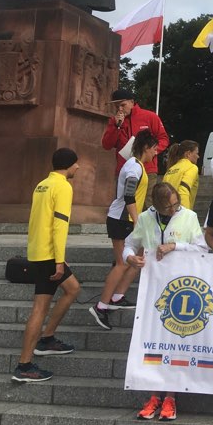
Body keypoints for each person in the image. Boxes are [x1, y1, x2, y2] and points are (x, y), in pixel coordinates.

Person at [125, 183, 207, 422]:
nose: (174, 209)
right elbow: (130, 243)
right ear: (157, 206)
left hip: (182, 290)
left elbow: (201, 248)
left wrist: (175, 246)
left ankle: (171, 395)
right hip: (153, 289)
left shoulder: (188, 216)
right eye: (168, 206)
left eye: (175, 203)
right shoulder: (145, 218)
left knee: (174, 341)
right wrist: (129, 258)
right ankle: (154, 394)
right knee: (152, 341)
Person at [12, 148, 82, 383]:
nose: (78, 168)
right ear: (70, 165)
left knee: (72, 289)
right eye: (76, 164)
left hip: (39, 251)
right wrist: (59, 260)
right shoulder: (63, 186)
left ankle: (48, 337)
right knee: (39, 308)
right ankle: (24, 365)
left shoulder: (42, 184)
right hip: (49, 257)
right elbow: (59, 225)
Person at [90, 129, 157, 330]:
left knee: (138, 257)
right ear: (146, 148)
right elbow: (129, 196)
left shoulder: (138, 166)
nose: (156, 153)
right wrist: (137, 221)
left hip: (128, 218)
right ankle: (101, 306)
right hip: (121, 219)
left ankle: (117, 296)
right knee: (121, 263)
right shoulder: (133, 167)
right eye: (154, 149)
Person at [101, 88, 168, 179]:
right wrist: (116, 127)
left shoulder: (150, 116)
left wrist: (152, 151)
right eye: (117, 107)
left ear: (132, 102)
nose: (120, 109)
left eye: (122, 105)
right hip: (124, 170)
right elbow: (106, 145)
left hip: (147, 169)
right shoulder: (114, 121)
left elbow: (163, 139)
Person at [163, 140, 199, 210]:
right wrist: (185, 214)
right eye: (197, 153)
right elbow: (183, 191)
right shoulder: (192, 167)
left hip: (167, 212)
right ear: (188, 154)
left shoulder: (170, 170)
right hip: (180, 211)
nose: (198, 156)